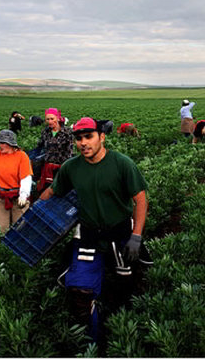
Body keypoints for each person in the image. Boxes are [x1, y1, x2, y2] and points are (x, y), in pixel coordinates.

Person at [39, 117, 148, 340]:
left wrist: (136, 236)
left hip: (120, 233)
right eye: (78, 139)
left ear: (102, 137)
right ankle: (91, 339)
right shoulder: (71, 167)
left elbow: (141, 200)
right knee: (80, 290)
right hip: (88, 234)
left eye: (89, 137)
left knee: (124, 285)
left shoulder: (122, 163)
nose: (83, 143)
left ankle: (122, 332)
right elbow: (53, 191)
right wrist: (34, 208)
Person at [34, 108, 74, 194]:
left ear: (58, 118)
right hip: (48, 166)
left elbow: (70, 151)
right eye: (47, 119)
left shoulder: (67, 132)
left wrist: (66, 167)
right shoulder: (45, 132)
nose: (50, 121)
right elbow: (39, 146)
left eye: (52, 119)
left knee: (61, 191)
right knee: (45, 190)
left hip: (62, 166)